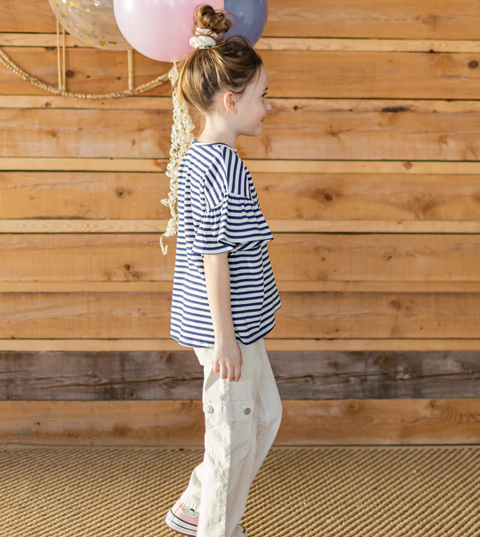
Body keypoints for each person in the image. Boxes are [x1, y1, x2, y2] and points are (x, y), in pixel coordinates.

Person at [166, 5, 283, 536]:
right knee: (232, 439)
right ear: (232, 102)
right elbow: (214, 258)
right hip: (227, 331)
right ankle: (216, 525)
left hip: (239, 325)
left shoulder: (200, 157)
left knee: (264, 417)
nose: (268, 107)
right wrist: (225, 340)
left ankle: (195, 503)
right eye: (261, 97)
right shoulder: (223, 167)